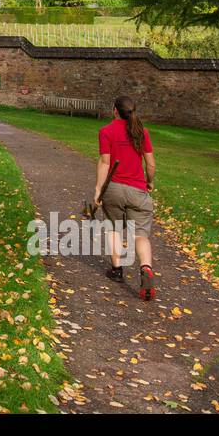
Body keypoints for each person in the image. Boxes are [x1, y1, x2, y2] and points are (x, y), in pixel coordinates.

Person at [93, 95, 157, 300]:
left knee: (114, 228)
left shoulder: (106, 131)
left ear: (114, 111)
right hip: (138, 189)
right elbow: (151, 164)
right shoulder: (141, 132)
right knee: (140, 235)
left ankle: (117, 269)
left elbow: (105, 162)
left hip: (114, 188)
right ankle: (146, 269)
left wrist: (98, 189)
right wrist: (150, 181)